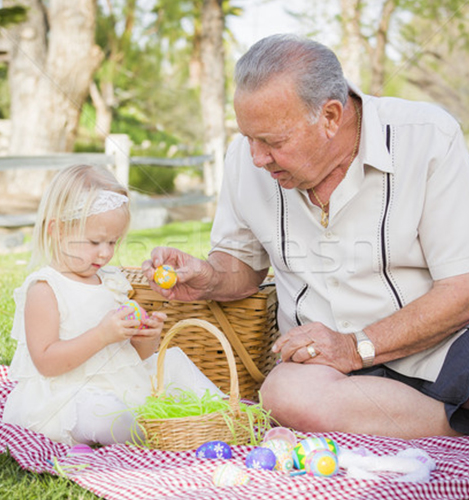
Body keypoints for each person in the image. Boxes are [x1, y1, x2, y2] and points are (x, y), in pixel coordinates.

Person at [143, 34, 469, 439]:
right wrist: (209, 276)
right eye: (248, 138)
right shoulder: (243, 161)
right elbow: (241, 266)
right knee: (283, 394)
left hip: (441, 347)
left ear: (331, 117)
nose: (258, 158)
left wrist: (355, 346)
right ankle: (452, 423)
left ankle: (406, 420)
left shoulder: (428, 136)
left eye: (273, 142)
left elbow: (461, 288)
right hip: (323, 369)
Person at [2, 164, 220, 446]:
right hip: (71, 391)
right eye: (94, 241)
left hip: (121, 383)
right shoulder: (45, 288)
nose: (105, 253)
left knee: (175, 362)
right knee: (103, 414)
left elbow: (131, 357)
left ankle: (224, 416)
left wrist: (146, 338)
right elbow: (46, 362)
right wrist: (102, 335)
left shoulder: (112, 281)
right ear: (56, 230)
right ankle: (151, 434)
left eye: (112, 242)